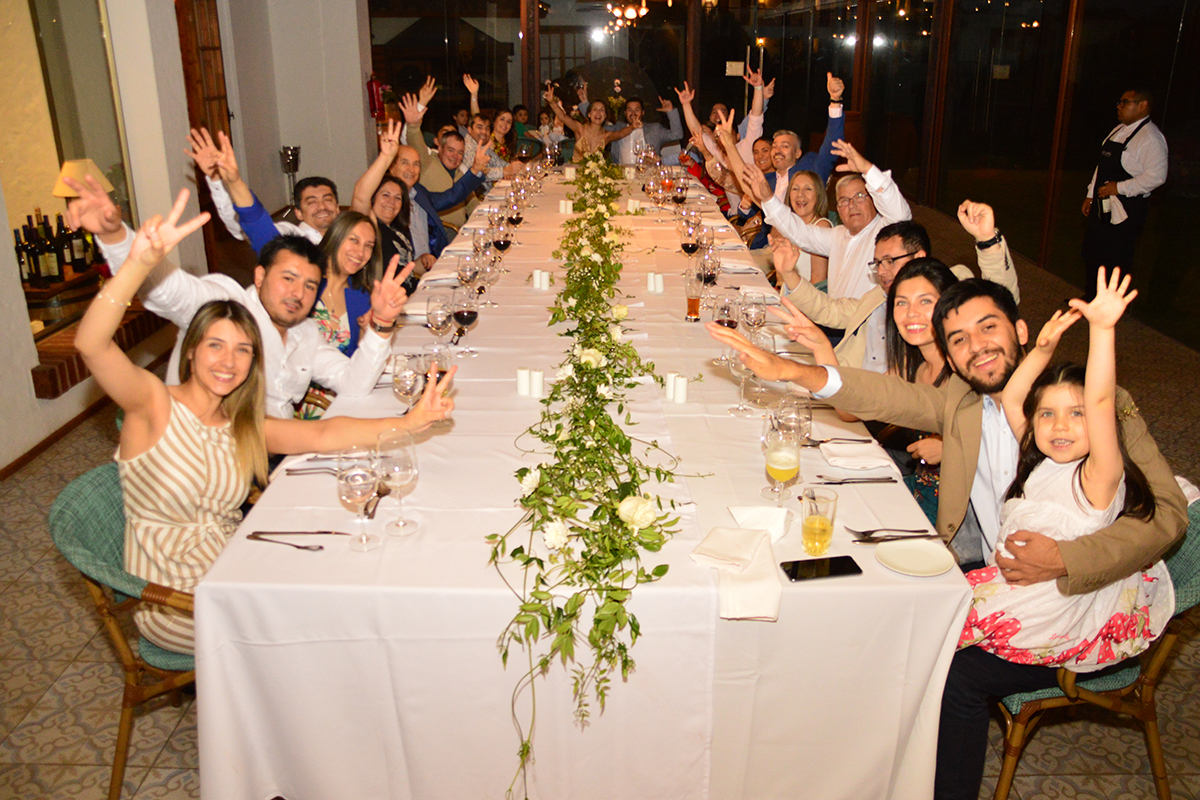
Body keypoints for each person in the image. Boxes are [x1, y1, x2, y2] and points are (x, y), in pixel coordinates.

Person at [705, 278, 1187, 800]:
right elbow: (891, 396)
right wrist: (795, 372)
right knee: (859, 600)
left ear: (1020, 330)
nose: (976, 346)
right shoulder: (972, 400)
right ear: (950, 359)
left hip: (1079, 602)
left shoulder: (1089, 406)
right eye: (958, 339)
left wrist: (1065, 559)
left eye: (988, 328)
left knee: (951, 672)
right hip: (997, 578)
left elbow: (1167, 517)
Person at [74, 201, 454, 655]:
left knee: (358, 575)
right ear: (190, 349)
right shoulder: (153, 404)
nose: (228, 362)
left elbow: (322, 435)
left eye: (243, 352)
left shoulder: (239, 419)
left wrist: (409, 422)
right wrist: (134, 260)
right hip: (182, 603)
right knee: (332, 626)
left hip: (234, 564)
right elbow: (92, 344)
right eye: (215, 346)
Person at [960, 267, 1172, 672]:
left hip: (1050, 603)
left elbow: (1100, 399)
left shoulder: (1098, 476)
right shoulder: (1041, 459)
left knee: (934, 635)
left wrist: (1102, 330)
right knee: (926, 619)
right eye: (1047, 414)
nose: (1060, 426)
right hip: (1015, 584)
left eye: (1076, 414)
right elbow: (1014, 398)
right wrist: (1042, 350)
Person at [67, 178, 410, 420]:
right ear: (259, 276)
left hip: (276, 452)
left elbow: (353, 383)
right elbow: (168, 292)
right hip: (218, 458)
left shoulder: (306, 335)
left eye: (309, 285)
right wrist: (116, 237)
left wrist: (381, 325)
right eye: (288, 279)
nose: (298, 294)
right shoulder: (227, 307)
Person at [771, 204, 1017, 372]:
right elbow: (830, 311)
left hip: (889, 412)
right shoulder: (879, 296)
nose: (882, 271)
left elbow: (1001, 301)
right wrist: (789, 274)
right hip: (850, 386)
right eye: (878, 263)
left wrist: (987, 240)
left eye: (890, 261)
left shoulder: (949, 287)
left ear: (918, 257)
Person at [738, 138, 912, 300]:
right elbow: (799, 232)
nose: (852, 205)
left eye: (859, 196)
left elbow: (901, 214)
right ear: (838, 209)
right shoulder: (837, 236)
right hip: (832, 315)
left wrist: (868, 169)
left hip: (861, 321)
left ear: (873, 200)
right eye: (844, 200)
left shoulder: (883, 232)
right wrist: (768, 198)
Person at [351, 123, 489, 277]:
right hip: (403, 277)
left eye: (416, 164)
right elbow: (360, 197)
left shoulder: (419, 192)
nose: (411, 169)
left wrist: (475, 169)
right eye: (405, 163)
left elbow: (451, 196)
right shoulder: (381, 203)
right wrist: (385, 157)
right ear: (391, 166)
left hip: (431, 265)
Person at [1081, 88, 1168, 298]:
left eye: (1125, 102)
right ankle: (1091, 298)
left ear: (1142, 105)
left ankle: (1110, 305)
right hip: (1102, 203)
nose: (1119, 107)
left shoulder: (1151, 138)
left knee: (1115, 259)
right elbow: (1101, 167)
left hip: (1127, 209)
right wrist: (1090, 194)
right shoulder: (1118, 130)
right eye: (1119, 102)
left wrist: (1119, 188)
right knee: (1093, 252)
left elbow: (1157, 177)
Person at [186, 128, 336, 246]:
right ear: (298, 213)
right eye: (312, 202)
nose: (322, 207)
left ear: (337, 207)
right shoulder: (289, 240)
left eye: (327, 200)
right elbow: (246, 226)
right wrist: (217, 179)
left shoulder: (346, 235)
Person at [768, 171, 833, 288]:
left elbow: (818, 282)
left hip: (804, 297)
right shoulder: (785, 225)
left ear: (818, 195)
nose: (800, 195)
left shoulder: (821, 227)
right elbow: (780, 278)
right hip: (782, 292)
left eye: (808, 189)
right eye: (795, 189)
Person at [544, 87, 634, 163]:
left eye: (602, 110)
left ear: (605, 116)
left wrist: (633, 126)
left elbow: (621, 133)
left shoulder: (606, 136)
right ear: (589, 114)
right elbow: (563, 117)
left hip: (596, 175)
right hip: (575, 173)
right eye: (594, 109)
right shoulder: (579, 128)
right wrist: (552, 102)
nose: (598, 113)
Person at [603, 96, 683, 166]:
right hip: (623, 174)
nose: (633, 113)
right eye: (630, 110)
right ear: (625, 113)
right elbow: (597, 130)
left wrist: (670, 112)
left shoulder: (654, 129)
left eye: (637, 110)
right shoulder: (618, 129)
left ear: (643, 113)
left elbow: (677, 134)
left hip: (648, 174)